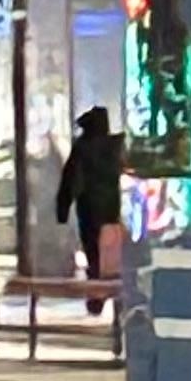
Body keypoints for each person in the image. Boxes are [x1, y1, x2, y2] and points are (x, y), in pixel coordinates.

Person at [56, 105, 125, 314]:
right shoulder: (115, 146)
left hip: (89, 211)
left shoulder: (82, 148)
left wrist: (62, 210)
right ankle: (117, 302)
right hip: (112, 211)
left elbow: (69, 181)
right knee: (112, 256)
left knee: (94, 256)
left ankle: (96, 299)